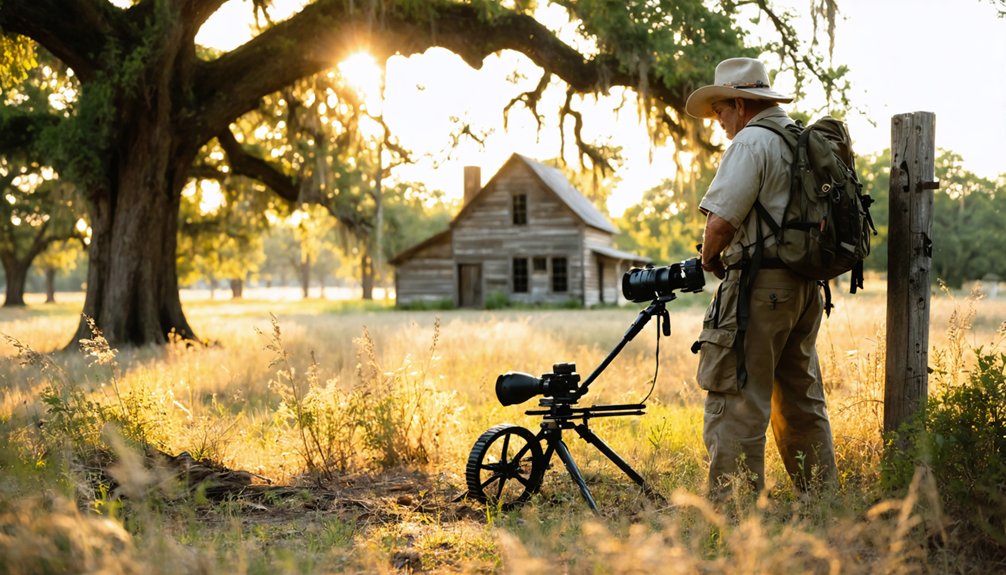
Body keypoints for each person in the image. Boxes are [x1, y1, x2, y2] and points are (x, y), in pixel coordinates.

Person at [685, 57, 837, 499]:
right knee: (801, 396)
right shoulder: (799, 137)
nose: (718, 122)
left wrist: (710, 260)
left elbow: (720, 222)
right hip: (805, 287)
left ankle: (733, 512)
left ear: (739, 103)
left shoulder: (752, 142)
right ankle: (822, 500)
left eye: (720, 111)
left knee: (737, 397)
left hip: (761, 288)